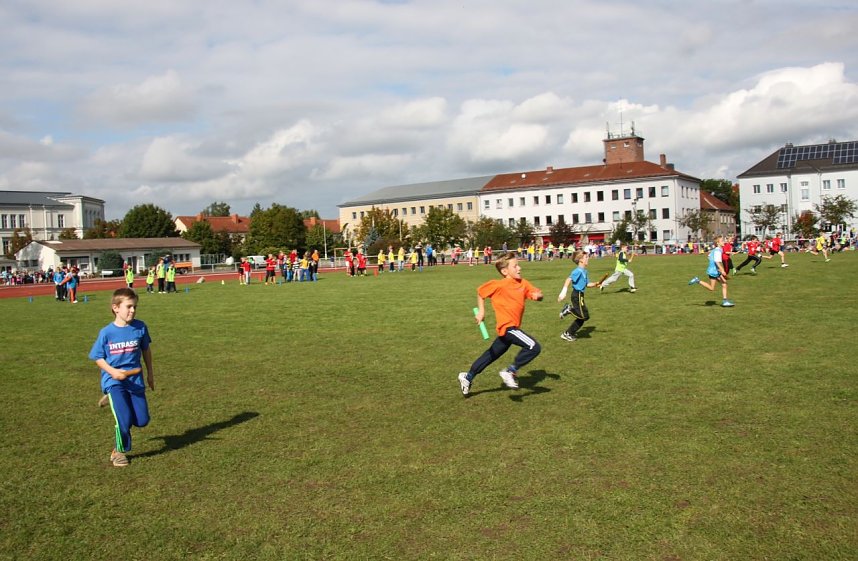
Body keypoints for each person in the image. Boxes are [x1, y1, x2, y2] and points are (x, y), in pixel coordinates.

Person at [457, 252, 543, 396]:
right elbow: (480, 292)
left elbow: (536, 294)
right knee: (534, 346)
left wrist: (538, 296)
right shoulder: (499, 285)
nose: (519, 268)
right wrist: (481, 312)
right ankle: (510, 371)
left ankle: (467, 377)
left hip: (511, 329)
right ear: (505, 271)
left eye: (518, 265)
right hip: (508, 328)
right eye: (515, 266)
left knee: (491, 355)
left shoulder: (523, 283)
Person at [89, 288, 155, 467]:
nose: (133, 310)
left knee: (142, 420)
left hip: (135, 380)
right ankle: (119, 452)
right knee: (123, 419)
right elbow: (97, 357)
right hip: (114, 381)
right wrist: (113, 372)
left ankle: (112, 400)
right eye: (129, 307)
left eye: (135, 307)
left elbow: (146, 350)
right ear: (116, 308)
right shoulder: (107, 332)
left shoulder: (140, 327)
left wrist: (150, 374)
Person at [558, 250, 601, 341]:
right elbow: (568, 280)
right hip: (576, 295)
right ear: (581, 260)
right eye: (586, 257)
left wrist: (596, 284)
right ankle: (569, 309)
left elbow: (587, 284)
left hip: (580, 296)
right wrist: (563, 292)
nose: (588, 259)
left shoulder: (584, 271)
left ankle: (568, 333)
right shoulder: (577, 271)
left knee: (583, 318)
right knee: (584, 316)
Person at [688, 235, 734, 307]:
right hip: (714, 271)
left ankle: (725, 301)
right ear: (718, 243)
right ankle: (697, 280)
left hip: (714, 270)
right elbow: (717, 261)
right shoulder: (718, 251)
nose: (724, 242)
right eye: (722, 241)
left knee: (723, 284)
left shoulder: (716, 249)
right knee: (716, 287)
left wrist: (714, 266)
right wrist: (722, 270)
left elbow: (709, 256)